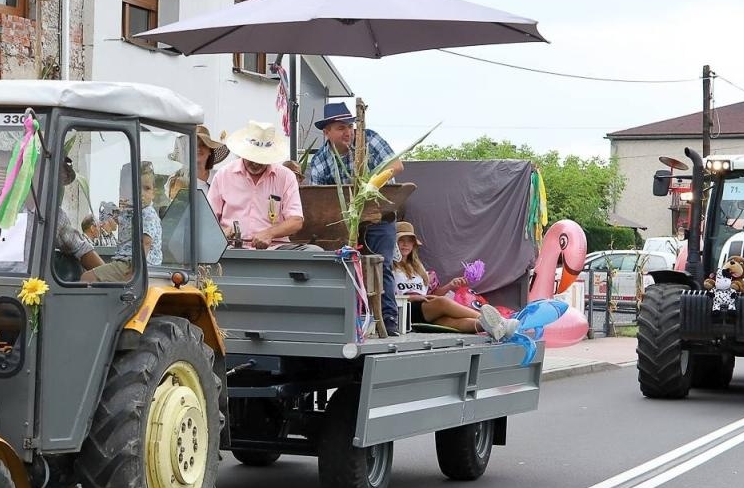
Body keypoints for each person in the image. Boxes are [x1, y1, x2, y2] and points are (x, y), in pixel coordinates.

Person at [307, 103, 402, 334]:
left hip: (379, 215)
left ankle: (388, 319)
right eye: (341, 128)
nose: (348, 132)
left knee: (382, 265)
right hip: (345, 223)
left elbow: (396, 165)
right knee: (344, 266)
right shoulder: (320, 160)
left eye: (349, 126)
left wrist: (371, 186)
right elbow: (320, 199)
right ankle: (348, 318)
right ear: (327, 132)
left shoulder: (369, 138)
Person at [393, 222, 516, 337]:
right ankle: (498, 321)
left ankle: (497, 328)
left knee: (450, 321)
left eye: (409, 241)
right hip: (402, 309)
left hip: (425, 309)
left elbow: (432, 296)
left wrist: (450, 286)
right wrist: (412, 297)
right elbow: (385, 298)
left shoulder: (420, 269)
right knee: (443, 302)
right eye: (401, 240)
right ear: (393, 243)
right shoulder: (388, 268)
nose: (405, 244)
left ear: (413, 245)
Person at [208, 121, 304, 248]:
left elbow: (296, 221)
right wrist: (222, 232)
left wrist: (270, 233)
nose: (255, 163)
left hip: (275, 250)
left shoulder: (286, 176)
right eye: (252, 157)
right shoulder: (223, 175)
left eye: (261, 159)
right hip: (231, 249)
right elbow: (207, 219)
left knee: (313, 250)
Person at [194, 125, 228, 193]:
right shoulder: (182, 180)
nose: (198, 148)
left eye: (203, 145)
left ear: (210, 151)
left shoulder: (220, 176)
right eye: (195, 145)